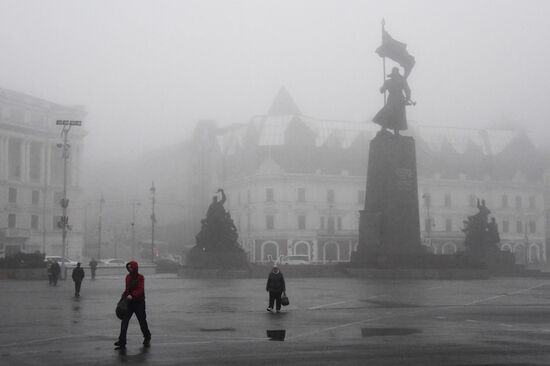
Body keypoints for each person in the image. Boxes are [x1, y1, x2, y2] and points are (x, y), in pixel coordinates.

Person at [115, 261, 151, 350]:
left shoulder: (141, 277)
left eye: (131, 267)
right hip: (129, 302)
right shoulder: (127, 277)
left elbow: (141, 289)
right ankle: (122, 341)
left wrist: (133, 295)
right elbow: (127, 289)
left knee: (142, 321)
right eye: (128, 267)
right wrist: (123, 296)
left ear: (135, 268)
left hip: (139, 302)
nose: (129, 269)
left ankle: (147, 336)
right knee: (124, 322)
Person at [372, 67, 411, 134]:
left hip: (398, 100)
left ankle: (395, 131)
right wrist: (383, 87)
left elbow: (407, 90)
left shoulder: (401, 81)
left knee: (398, 115)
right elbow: (382, 91)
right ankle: (385, 129)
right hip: (393, 99)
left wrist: (407, 99)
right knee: (388, 113)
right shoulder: (389, 82)